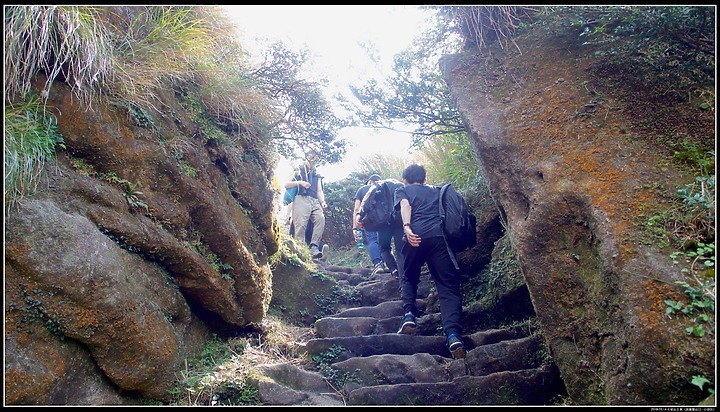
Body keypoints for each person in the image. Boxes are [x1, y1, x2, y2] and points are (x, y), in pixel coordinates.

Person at [394, 163, 466, 359]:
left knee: (409, 277)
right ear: (425, 179)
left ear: (405, 180)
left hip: (413, 238)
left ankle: (409, 315)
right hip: (438, 239)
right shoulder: (436, 190)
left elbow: (405, 205)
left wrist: (407, 228)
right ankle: (453, 336)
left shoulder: (402, 190)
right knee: (448, 288)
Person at [284, 151, 327, 259]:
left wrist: (323, 202)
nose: (313, 159)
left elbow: (319, 190)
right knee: (301, 225)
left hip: (314, 200)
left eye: (315, 157)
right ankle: (300, 250)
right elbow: (286, 184)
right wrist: (300, 183)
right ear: (306, 157)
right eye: (311, 156)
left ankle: (314, 246)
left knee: (320, 219)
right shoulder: (298, 169)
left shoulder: (317, 173)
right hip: (301, 198)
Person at [353, 174, 385, 275]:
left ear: (370, 181)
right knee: (384, 241)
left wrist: (355, 227)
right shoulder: (384, 187)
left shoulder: (362, 189)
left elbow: (356, 209)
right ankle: (389, 263)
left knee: (372, 240)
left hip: (368, 219)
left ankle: (377, 264)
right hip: (384, 219)